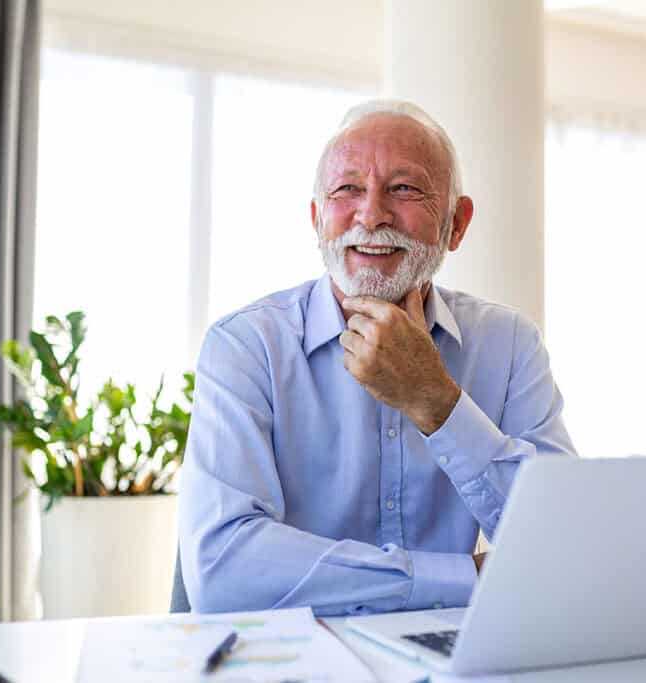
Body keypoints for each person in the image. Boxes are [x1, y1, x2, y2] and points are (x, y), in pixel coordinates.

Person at [178, 100, 576, 616]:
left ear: (456, 224)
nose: (371, 214)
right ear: (319, 219)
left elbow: (564, 543)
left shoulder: (510, 343)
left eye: (404, 189)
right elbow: (223, 571)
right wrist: (464, 579)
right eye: (347, 190)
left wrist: (436, 401)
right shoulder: (247, 345)